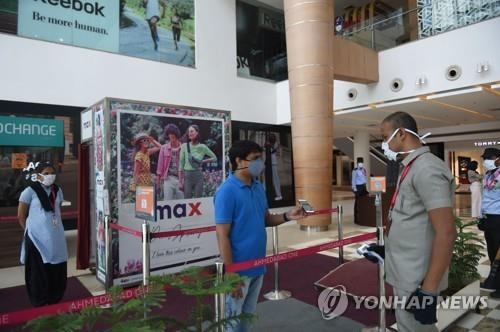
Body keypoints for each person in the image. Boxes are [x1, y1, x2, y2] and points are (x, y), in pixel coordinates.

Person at [367, 112, 456, 332]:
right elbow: (412, 219)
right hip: (405, 268)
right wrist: (387, 249)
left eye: (385, 137)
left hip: (417, 276)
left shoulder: (427, 169)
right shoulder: (409, 166)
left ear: (402, 134)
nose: (383, 143)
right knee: (406, 325)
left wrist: (428, 289)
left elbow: (446, 233)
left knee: (414, 328)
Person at [214, 140, 307, 332]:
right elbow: (222, 235)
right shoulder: (226, 192)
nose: (260, 164)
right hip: (238, 269)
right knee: (232, 320)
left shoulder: (258, 187)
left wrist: (288, 215)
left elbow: (265, 219)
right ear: (239, 161)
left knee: (247, 316)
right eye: (255, 159)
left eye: (261, 158)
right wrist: (231, 274)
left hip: (258, 265)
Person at [17, 161, 68, 307]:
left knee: (56, 267)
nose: (50, 176)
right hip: (36, 238)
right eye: (46, 173)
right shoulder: (29, 191)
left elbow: (57, 210)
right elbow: (21, 216)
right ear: (38, 176)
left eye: (52, 173)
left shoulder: (57, 190)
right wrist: (31, 230)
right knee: (37, 272)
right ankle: (39, 301)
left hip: (55, 236)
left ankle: (55, 298)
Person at [478, 148, 500, 293]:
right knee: (492, 250)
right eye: (485, 158)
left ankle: (497, 284)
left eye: (490, 158)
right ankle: (494, 281)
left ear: (498, 158)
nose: (486, 161)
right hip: (488, 216)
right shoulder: (488, 174)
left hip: (499, 216)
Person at [179, 124, 217, 199]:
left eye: (192, 131)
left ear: (197, 132)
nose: (190, 133)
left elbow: (214, 158)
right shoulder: (184, 146)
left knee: (198, 200)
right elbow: (181, 164)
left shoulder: (202, 147)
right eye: (189, 132)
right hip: (187, 176)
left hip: (198, 175)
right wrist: (180, 181)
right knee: (187, 199)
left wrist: (202, 161)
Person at [156, 124, 184, 200]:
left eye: (173, 133)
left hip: (181, 179)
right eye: (169, 134)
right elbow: (159, 168)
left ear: (177, 134)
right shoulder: (164, 148)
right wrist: (158, 185)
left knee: (182, 204)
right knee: (167, 203)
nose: (171, 136)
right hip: (168, 179)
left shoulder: (184, 148)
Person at [266, 133, 282, 201]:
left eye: (272, 137)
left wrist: (269, 145)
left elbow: (273, 151)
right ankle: (265, 194)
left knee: (276, 180)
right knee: (266, 180)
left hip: (273, 164)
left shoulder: (276, 144)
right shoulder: (268, 144)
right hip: (268, 163)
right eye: (270, 137)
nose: (271, 138)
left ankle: (279, 195)